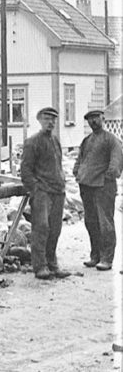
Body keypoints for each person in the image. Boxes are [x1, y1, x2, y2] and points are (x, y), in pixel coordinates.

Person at [20, 107, 71, 280]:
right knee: (41, 228)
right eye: (47, 119)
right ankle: (40, 266)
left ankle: (52, 265)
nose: (50, 122)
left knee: (55, 229)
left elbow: (57, 165)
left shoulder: (55, 140)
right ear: (39, 120)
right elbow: (25, 171)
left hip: (58, 191)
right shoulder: (32, 142)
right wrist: (36, 190)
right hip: (42, 192)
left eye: (53, 119)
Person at [73, 109, 122, 271]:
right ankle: (95, 255)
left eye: (96, 118)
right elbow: (80, 159)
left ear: (103, 118)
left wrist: (107, 177)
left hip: (103, 187)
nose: (93, 122)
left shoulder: (111, 140)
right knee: (91, 222)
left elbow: (116, 162)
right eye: (90, 119)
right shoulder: (87, 140)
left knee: (105, 223)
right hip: (86, 186)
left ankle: (107, 258)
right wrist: (77, 172)